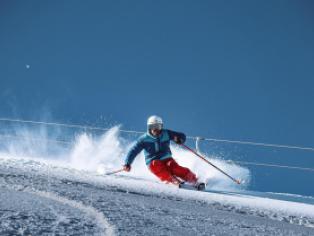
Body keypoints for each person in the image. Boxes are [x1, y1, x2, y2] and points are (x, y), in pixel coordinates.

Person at [123, 115, 201, 187]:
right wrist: (127, 163)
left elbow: (182, 135)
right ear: (149, 127)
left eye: (158, 126)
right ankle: (171, 180)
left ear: (161, 127)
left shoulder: (166, 133)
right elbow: (133, 151)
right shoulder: (143, 139)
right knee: (155, 164)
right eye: (153, 126)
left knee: (173, 167)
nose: (156, 129)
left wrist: (179, 139)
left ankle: (194, 180)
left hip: (167, 158)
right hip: (152, 161)